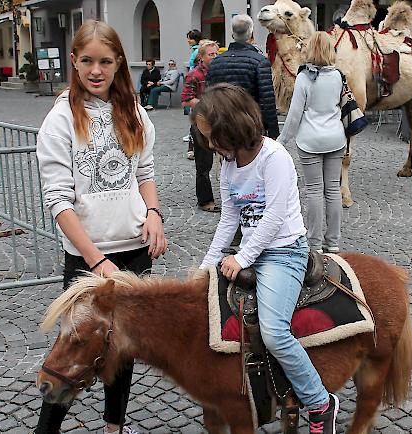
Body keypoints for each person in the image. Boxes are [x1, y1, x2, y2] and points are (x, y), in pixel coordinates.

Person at [35, 20, 167, 434]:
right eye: (88, 61)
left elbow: (143, 171)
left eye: (105, 61)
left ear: (118, 64)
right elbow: (58, 200)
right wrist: (96, 262)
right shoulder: (59, 121)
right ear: (73, 62)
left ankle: (115, 426)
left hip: (134, 250)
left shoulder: (135, 113)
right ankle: (46, 430)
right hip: (86, 257)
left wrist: (154, 213)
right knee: (73, 351)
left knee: (121, 349)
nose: (96, 70)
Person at [195, 83, 340, 434]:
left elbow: (274, 216)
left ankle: (320, 403)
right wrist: (205, 267)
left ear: (232, 127)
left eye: (214, 137)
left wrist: (243, 257)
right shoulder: (228, 165)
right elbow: (229, 219)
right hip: (254, 251)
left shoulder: (274, 157)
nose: (211, 146)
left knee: (275, 333)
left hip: (284, 252)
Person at [277, 32, 346, 254]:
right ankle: (333, 242)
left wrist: (282, 141)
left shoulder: (305, 78)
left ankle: (314, 243)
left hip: (310, 141)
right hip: (336, 138)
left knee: (315, 190)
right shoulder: (338, 76)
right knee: (333, 190)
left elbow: (294, 114)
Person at [206, 14, 279, 139]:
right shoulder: (260, 62)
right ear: (251, 34)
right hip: (250, 126)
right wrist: (273, 133)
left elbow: (209, 97)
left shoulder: (215, 62)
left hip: (223, 126)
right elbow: (267, 100)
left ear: (233, 34)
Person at [182, 39, 220, 212]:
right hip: (201, 122)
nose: (214, 57)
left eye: (216, 54)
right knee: (204, 165)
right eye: (211, 54)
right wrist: (207, 105)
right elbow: (186, 99)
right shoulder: (194, 74)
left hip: (219, 122)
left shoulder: (220, 72)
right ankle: (205, 201)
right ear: (202, 57)